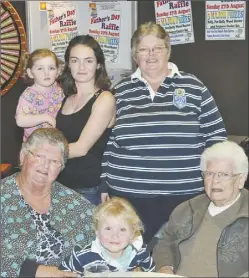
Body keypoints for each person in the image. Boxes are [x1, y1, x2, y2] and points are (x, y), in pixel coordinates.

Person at [100, 21, 227, 244]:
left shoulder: (194, 87)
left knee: (180, 260)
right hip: (129, 196)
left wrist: (217, 181)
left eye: (157, 48)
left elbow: (216, 137)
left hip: (185, 196)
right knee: (133, 262)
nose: (151, 54)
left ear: (168, 51)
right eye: (143, 49)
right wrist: (103, 183)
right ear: (135, 55)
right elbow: (106, 142)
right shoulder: (119, 92)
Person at [1, 128, 96, 278]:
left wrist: (129, 256)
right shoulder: (4, 195)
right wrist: (35, 271)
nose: (45, 166)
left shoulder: (72, 201)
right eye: (39, 156)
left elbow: (107, 226)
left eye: (54, 162)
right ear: (22, 156)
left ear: (61, 168)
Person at [152, 140, 248, 278]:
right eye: (209, 174)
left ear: (241, 179)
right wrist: (165, 268)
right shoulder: (186, 209)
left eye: (224, 174)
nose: (215, 181)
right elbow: (165, 241)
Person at [56, 35, 116, 205]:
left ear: (98, 64)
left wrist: (40, 155)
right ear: (68, 64)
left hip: (87, 189)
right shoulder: (66, 98)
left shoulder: (104, 98)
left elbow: (81, 148)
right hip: (58, 185)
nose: (81, 67)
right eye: (75, 60)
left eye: (88, 61)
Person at [59, 197, 155, 275]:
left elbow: (152, 272)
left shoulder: (140, 253)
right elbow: (61, 273)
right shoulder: (83, 257)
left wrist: (141, 272)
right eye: (108, 229)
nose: (115, 236)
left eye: (122, 229)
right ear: (97, 231)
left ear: (132, 233)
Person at [16, 48, 64, 142]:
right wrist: (46, 118)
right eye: (40, 68)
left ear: (58, 72)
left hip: (54, 140)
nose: (46, 73)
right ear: (30, 73)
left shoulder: (58, 90)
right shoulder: (29, 95)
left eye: (51, 68)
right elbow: (20, 120)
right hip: (34, 145)